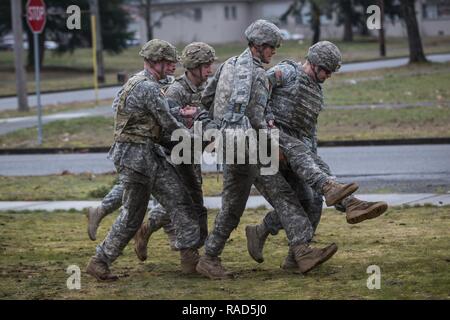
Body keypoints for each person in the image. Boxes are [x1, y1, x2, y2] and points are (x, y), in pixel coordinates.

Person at [195, 20, 352, 279]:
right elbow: (257, 118)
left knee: (232, 208)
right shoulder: (257, 74)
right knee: (286, 198)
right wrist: (275, 145)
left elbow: (206, 99)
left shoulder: (229, 65)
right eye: (272, 48)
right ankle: (302, 250)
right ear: (259, 46)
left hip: (230, 146)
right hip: (250, 147)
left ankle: (209, 258)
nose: (274, 53)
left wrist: (215, 129)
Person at [245, 41, 388, 266]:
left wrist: (315, 163)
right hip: (263, 144)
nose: (329, 75)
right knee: (289, 200)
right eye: (327, 70)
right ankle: (338, 202)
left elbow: (308, 134)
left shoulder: (315, 92)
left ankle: (295, 254)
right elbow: (258, 89)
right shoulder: (286, 72)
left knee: (312, 200)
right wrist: (267, 123)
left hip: (293, 148)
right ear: (314, 63)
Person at [85, 39, 201, 281]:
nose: (172, 67)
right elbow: (167, 121)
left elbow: (153, 113)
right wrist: (193, 137)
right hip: (136, 159)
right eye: (168, 63)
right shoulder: (146, 87)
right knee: (133, 216)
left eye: (173, 62)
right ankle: (100, 260)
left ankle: (190, 259)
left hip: (147, 155)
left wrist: (179, 115)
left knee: (180, 200)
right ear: (154, 62)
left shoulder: (140, 83)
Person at [133, 42, 217, 261]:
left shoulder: (206, 88)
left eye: (210, 64)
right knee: (181, 204)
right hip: (174, 156)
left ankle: (192, 249)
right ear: (193, 66)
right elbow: (166, 128)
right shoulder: (176, 91)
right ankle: (178, 248)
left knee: (194, 202)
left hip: (193, 155)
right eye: (206, 65)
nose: (210, 69)